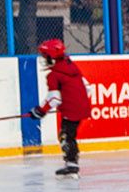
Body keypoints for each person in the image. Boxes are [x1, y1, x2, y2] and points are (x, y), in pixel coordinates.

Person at [28, 39, 91, 176]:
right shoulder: (71, 66)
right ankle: (72, 163)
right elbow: (87, 87)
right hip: (81, 107)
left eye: (44, 55)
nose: (43, 58)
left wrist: (40, 111)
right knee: (68, 134)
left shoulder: (54, 75)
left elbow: (54, 98)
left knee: (66, 136)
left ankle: (72, 165)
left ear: (51, 57)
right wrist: (72, 102)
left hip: (72, 110)